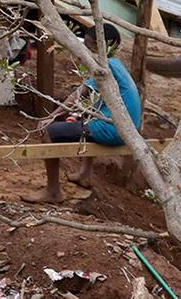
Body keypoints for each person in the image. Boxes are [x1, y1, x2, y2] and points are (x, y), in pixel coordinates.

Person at [39, 23, 142, 203]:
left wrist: (51, 116)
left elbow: (78, 94)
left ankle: (52, 191)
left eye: (87, 45)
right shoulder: (116, 65)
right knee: (89, 115)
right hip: (127, 129)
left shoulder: (104, 67)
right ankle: (84, 174)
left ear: (97, 46)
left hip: (112, 131)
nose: (85, 49)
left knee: (48, 132)